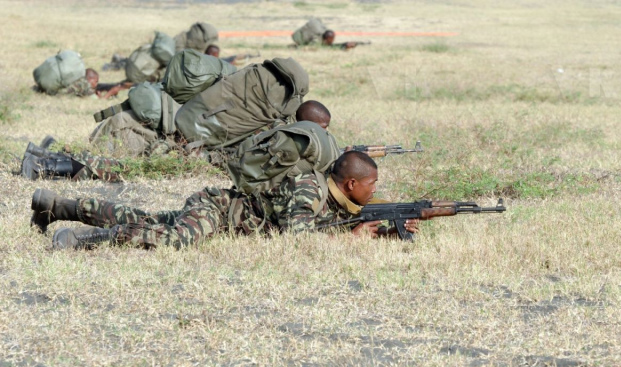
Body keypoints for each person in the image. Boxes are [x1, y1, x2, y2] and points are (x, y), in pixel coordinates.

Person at [31, 151, 419, 250]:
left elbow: (328, 225)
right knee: (174, 239)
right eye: (371, 185)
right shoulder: (310, 190)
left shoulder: (333, 198)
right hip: (219, 211)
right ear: (350, 184)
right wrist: (348, 241)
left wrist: (382, 233)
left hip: (223, 212)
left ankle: (58, 206)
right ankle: (83, 242)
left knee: (146, 220)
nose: (374, 190)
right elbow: (297, 239)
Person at [19, 100, 332, 183]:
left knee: (126, 166)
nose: (324, 135)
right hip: (195, 159)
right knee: (124, 169)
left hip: (196, 152)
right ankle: (44, 166)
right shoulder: (280, 135)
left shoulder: (273, 126)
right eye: (322, 128)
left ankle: (44, 156)